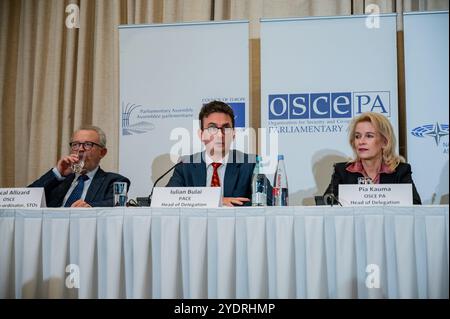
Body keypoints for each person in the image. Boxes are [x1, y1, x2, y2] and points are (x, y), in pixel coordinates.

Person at [166, 100, 270, 207]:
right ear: (201, 134)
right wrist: (218, 201)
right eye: (212, 128)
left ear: (233, 134)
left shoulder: (249, 164)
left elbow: (268, 200)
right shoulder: (185, 165)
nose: (220, 135)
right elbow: (169, 199)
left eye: (226, 128)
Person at [323, 112, 422, 204]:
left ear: (385, 142)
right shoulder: (342, 172)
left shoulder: (400, 171)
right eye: (357, 136)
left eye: (369, 136)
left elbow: (415, 206)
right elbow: (326, 204)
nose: (361, 141)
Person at [29, 125, 131, 207]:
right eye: (75, 144)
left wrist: (88, 207)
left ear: (102, 152)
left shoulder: (115, 181)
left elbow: (118, 204)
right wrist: (57, 173)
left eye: (87, 144)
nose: (80, 149)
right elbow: (28, 197)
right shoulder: (59, 180)